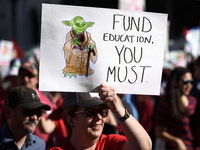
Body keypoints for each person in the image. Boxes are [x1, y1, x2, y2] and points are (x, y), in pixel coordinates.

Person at [47, 84, 152, 150]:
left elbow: (145, 147)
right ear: (70, 120)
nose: (99, 117)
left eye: (102, 111)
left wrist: (119, 110)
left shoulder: (111, 143)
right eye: (90, 112)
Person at [154, 67, 197, 150]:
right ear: (176, 82)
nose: (189, 85)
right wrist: (177, 141)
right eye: (185, 81)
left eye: (191, 82)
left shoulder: (194, 101)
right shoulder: (166, 103)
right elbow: (158, 132)